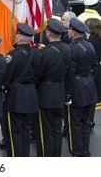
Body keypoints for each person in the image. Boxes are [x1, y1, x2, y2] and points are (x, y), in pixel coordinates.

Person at [36, 18, 73, 157]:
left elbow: (38, 74)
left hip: (46, 94)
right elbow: (70, 73)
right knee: (56, 130)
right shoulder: (67, 49)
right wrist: (68, 94)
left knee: (45, 131)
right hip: (60, 92)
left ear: (49, 33)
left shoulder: (46, 53)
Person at [3, 23, 41, 157]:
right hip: (31, 95)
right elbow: (38, 73)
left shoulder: (13, 55)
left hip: (16, 98)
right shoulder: (36, 53)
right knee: (26, 132)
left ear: (19, 38)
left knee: (14, 134)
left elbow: (6, 78)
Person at [67, 18, 99, 157]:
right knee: (86, 123)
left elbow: (70, 73)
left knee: (75, 123)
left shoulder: (71, 48)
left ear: (73, 32)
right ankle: (85, 151)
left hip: (77, 89)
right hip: (89, 87)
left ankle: (77, 153)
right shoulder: (90, 45)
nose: (68, 31)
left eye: (69, 29)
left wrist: (67, 94)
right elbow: (95, 66)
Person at [84, 18, 101, 131]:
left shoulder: (90, 42)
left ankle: (88, 120)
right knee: (95, 97)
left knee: (89, 96)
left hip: (93, 71)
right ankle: (91, 120)